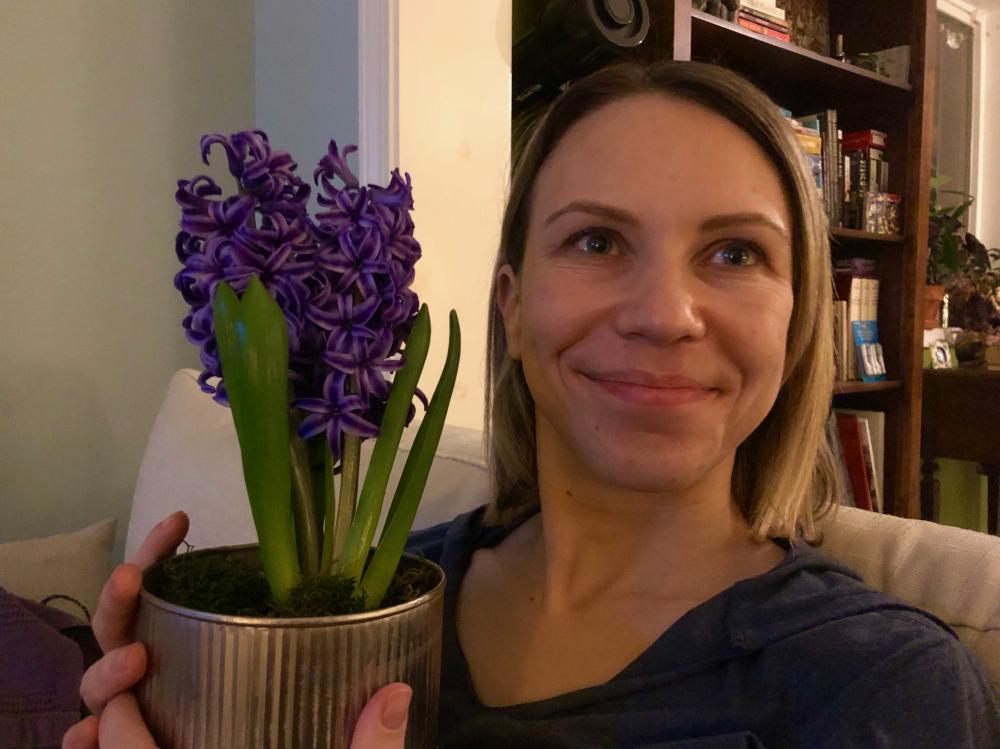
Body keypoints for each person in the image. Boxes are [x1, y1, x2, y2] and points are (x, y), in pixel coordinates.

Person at [63, 60, 1000, 748]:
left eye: (735, 254)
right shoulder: (367, 610)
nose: (664, 314)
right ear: (511, 305)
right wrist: (179, 694)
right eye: (595, 241)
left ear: (800, 321)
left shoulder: (886, 689)